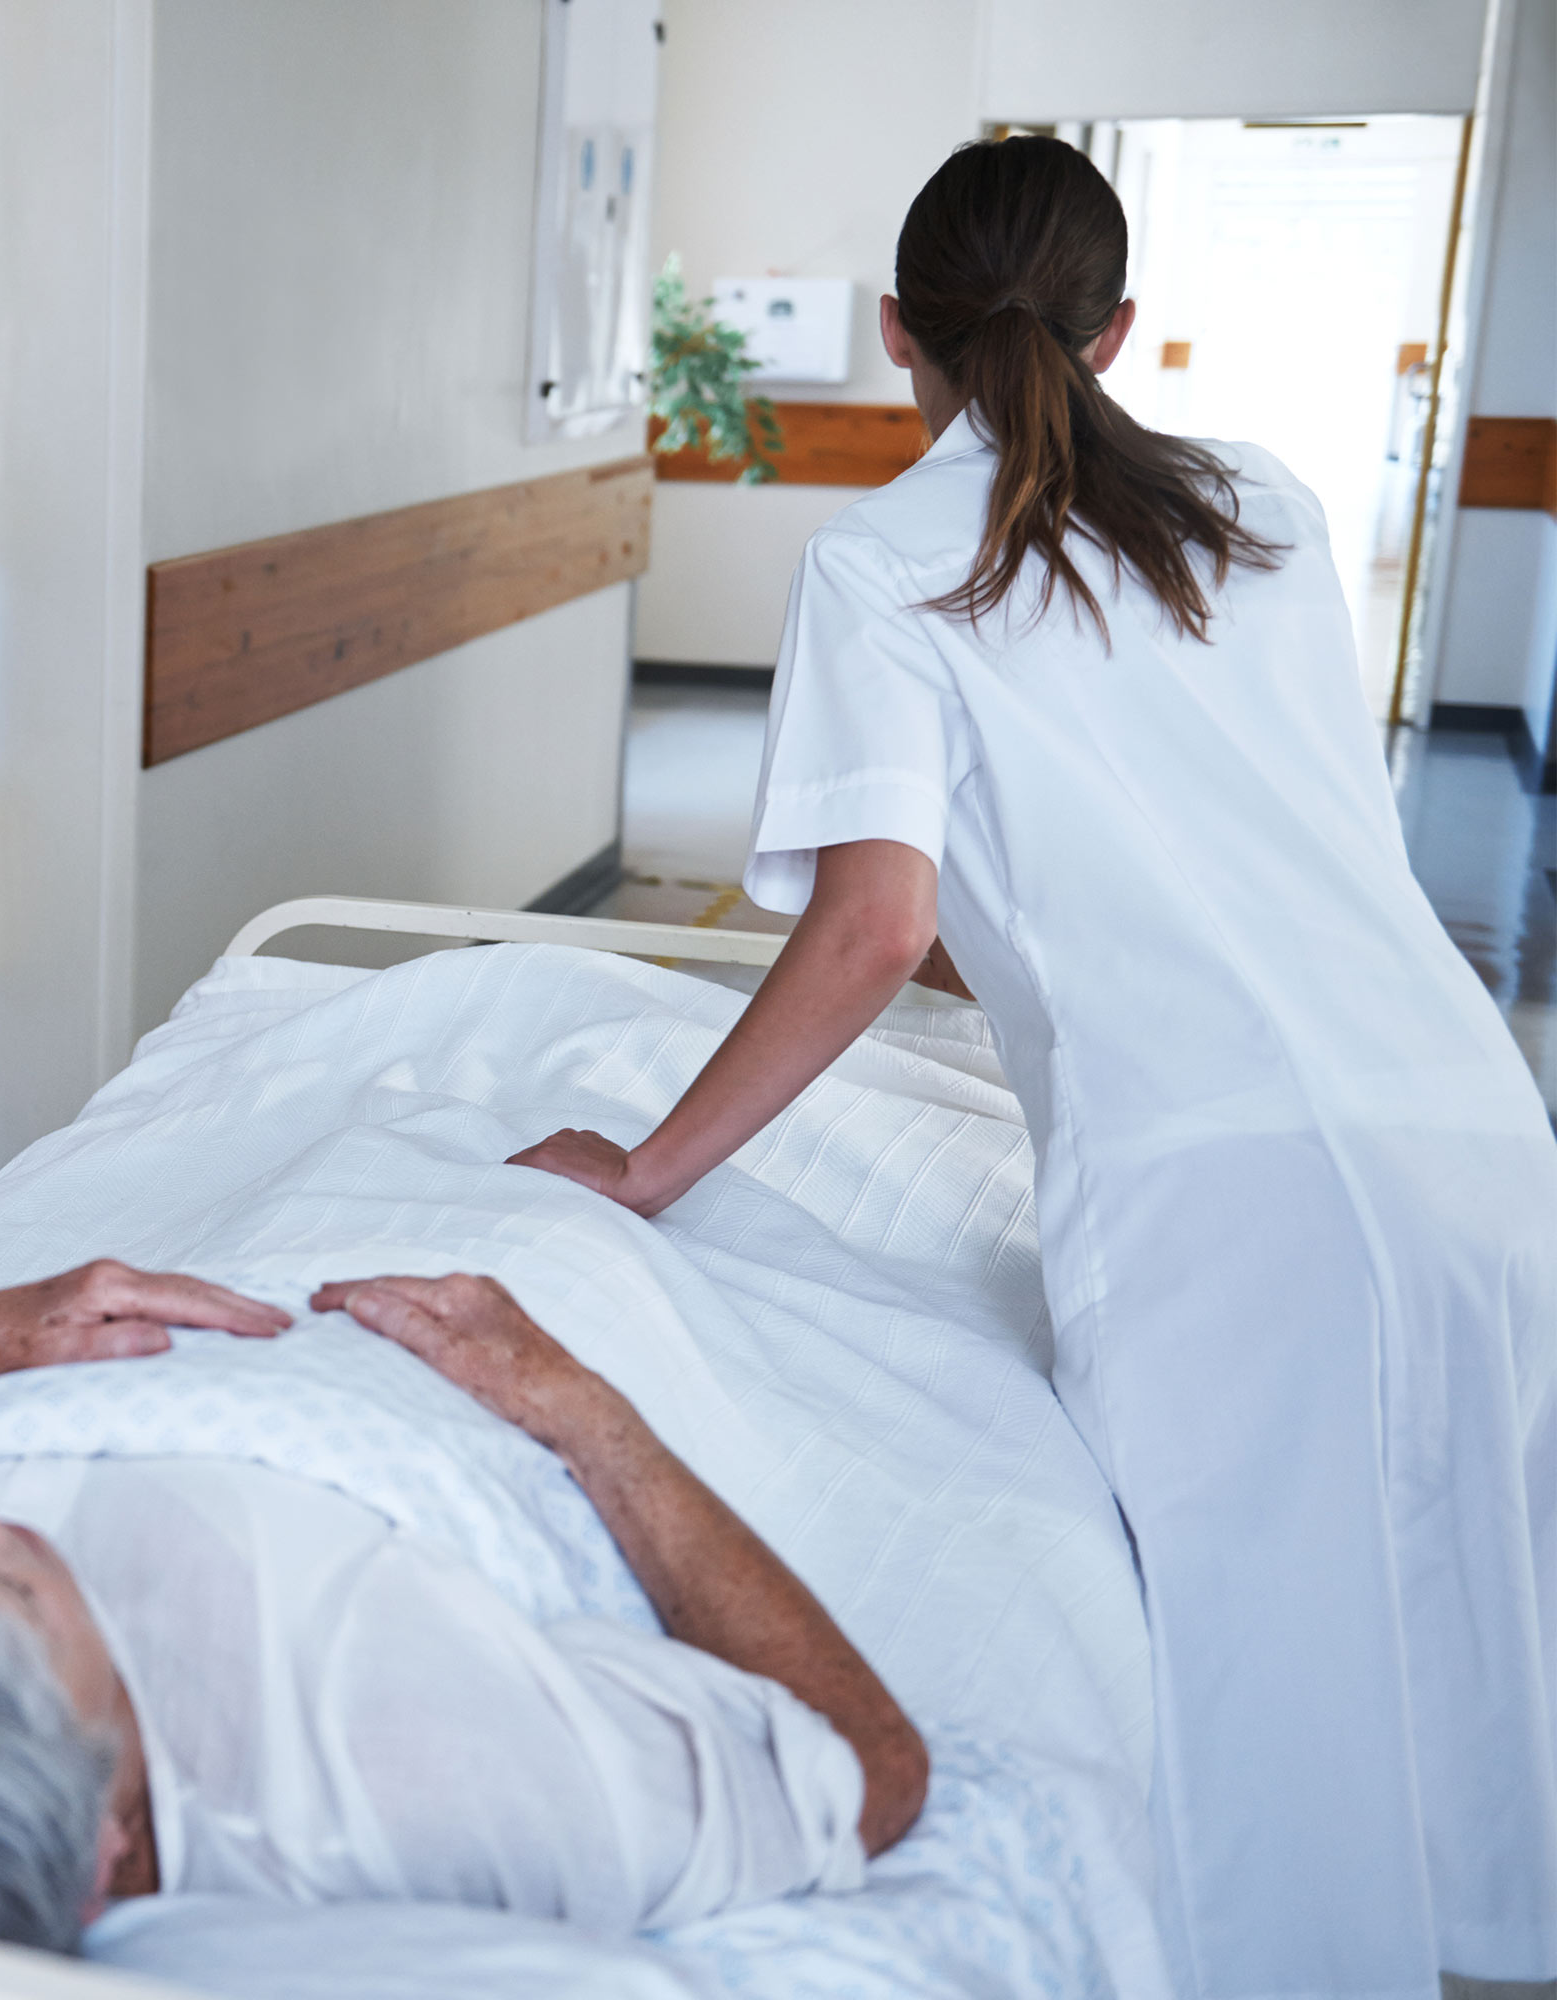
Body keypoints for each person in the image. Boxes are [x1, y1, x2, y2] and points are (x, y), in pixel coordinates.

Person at [507, 136, 1556, 1999]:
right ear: (1122, 326)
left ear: (899, 332)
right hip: (1479, 1120)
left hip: (1239, 1196)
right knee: (1481, 1635)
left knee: (1258, 1713)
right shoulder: (1276, 506)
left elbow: (871, 929)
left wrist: (651, 1170)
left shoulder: (884, 555)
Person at [0, 1262, 927, 1949]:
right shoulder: (391, 1761)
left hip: (72, 1300)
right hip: (448, 1327)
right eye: (8, 1585)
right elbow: (865, 1774)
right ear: (104, 1859)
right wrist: (592, 1417)